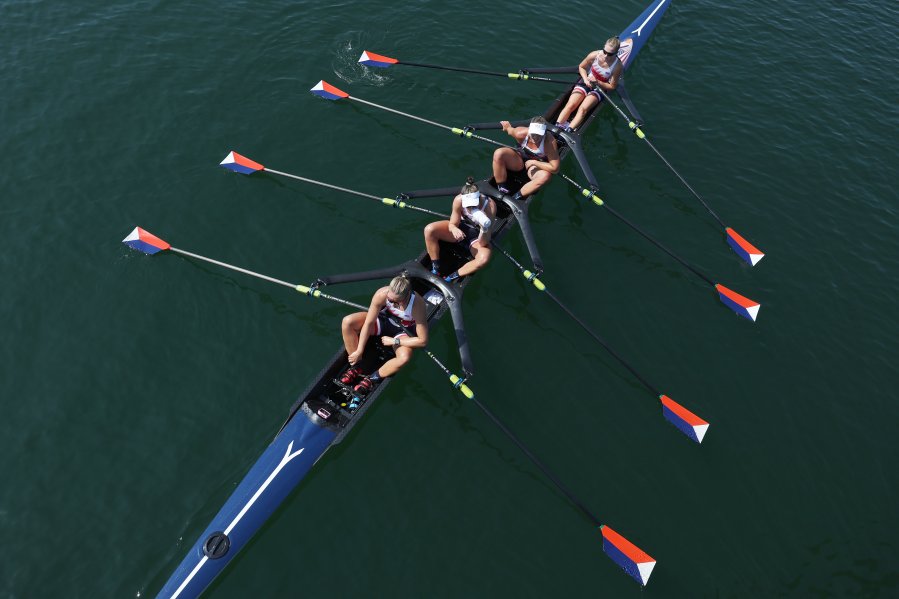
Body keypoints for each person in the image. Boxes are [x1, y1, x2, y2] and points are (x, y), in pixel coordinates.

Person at [339, 275, 428, 396]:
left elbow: (422, 341)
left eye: (393, 301)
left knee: (404, 358)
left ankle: (372, 379)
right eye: (389, 299)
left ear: (405, 297)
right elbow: (369, 322)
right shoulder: (382, 293)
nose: (389, 301)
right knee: (347, 322)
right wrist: (359, 350)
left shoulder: (417, 305)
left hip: (402, 332)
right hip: (383, 321)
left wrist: (395, 342)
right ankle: (357, 366)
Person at [424, 177, 497, 282]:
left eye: (472, 204)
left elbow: (483, 243)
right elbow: (453, 223)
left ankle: (451, 277)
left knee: (483, 259)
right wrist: (454, 228)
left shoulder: (490, 207)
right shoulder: (459, 200)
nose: (469, 208)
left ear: (478, 198)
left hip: (476, 237)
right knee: (429, 230)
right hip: (460, 229)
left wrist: (484, 229)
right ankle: (436, 268)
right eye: (467, 205)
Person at [555, 36, 623, 131]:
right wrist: (586, 79)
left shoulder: (617, 67)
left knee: (582, 110)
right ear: (603, 47)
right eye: (605, 52)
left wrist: (598, 82)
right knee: (571, 105)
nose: (606, 56)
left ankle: (568, 131)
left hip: (599, 88)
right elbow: (581, 67)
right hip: (586, 81)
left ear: (616, 53)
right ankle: (556, 127)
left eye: (610, 54)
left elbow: (612, 86)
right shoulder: (594, 55)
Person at [492, 116, 561, 199]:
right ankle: (501, 187)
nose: (535, 138)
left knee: (545, 176)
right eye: (533, 134)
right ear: (529, 130)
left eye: (539, 135)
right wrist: (507, 126)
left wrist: (534, 162)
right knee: (498, 153)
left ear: (544, 133)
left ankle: (516, 197)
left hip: (535, 167)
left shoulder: (549, 142)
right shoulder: (520, 133)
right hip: (518, 161)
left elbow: (555, 168)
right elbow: (509, 130)